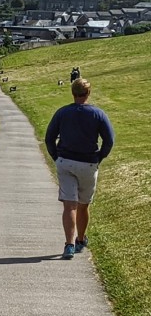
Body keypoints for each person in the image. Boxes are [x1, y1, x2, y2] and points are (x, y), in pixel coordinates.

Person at [44, 77, 114, 260]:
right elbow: (109, 141)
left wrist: (56, 156)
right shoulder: (98, 114)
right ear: (88, 93)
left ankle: (69, 244)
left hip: (65, 161)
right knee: (83, 205)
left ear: (73, 93)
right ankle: (80, 239)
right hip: (88, 163)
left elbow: (49, 137)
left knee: (69, 205)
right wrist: (99, 157)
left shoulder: (62, 113)